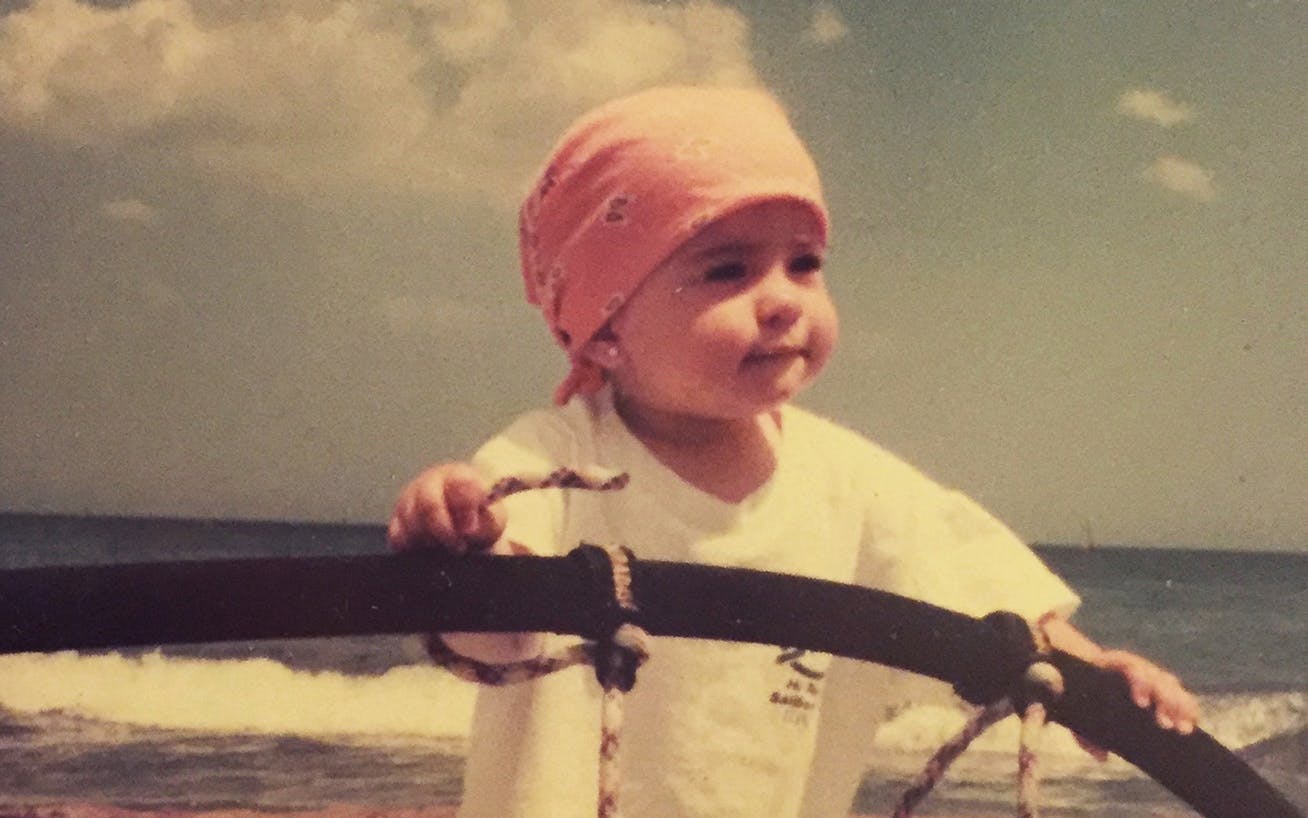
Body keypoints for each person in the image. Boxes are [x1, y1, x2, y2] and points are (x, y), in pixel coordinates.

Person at [387, 85, 1199, 818]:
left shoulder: (854, 486)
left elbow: (993, 613)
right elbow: (491, 634)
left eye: (803, 265)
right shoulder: (556, 455)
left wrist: (1094, 674)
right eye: (727, 270)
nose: (782, 301)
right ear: (604, 331)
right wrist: (458, 532)